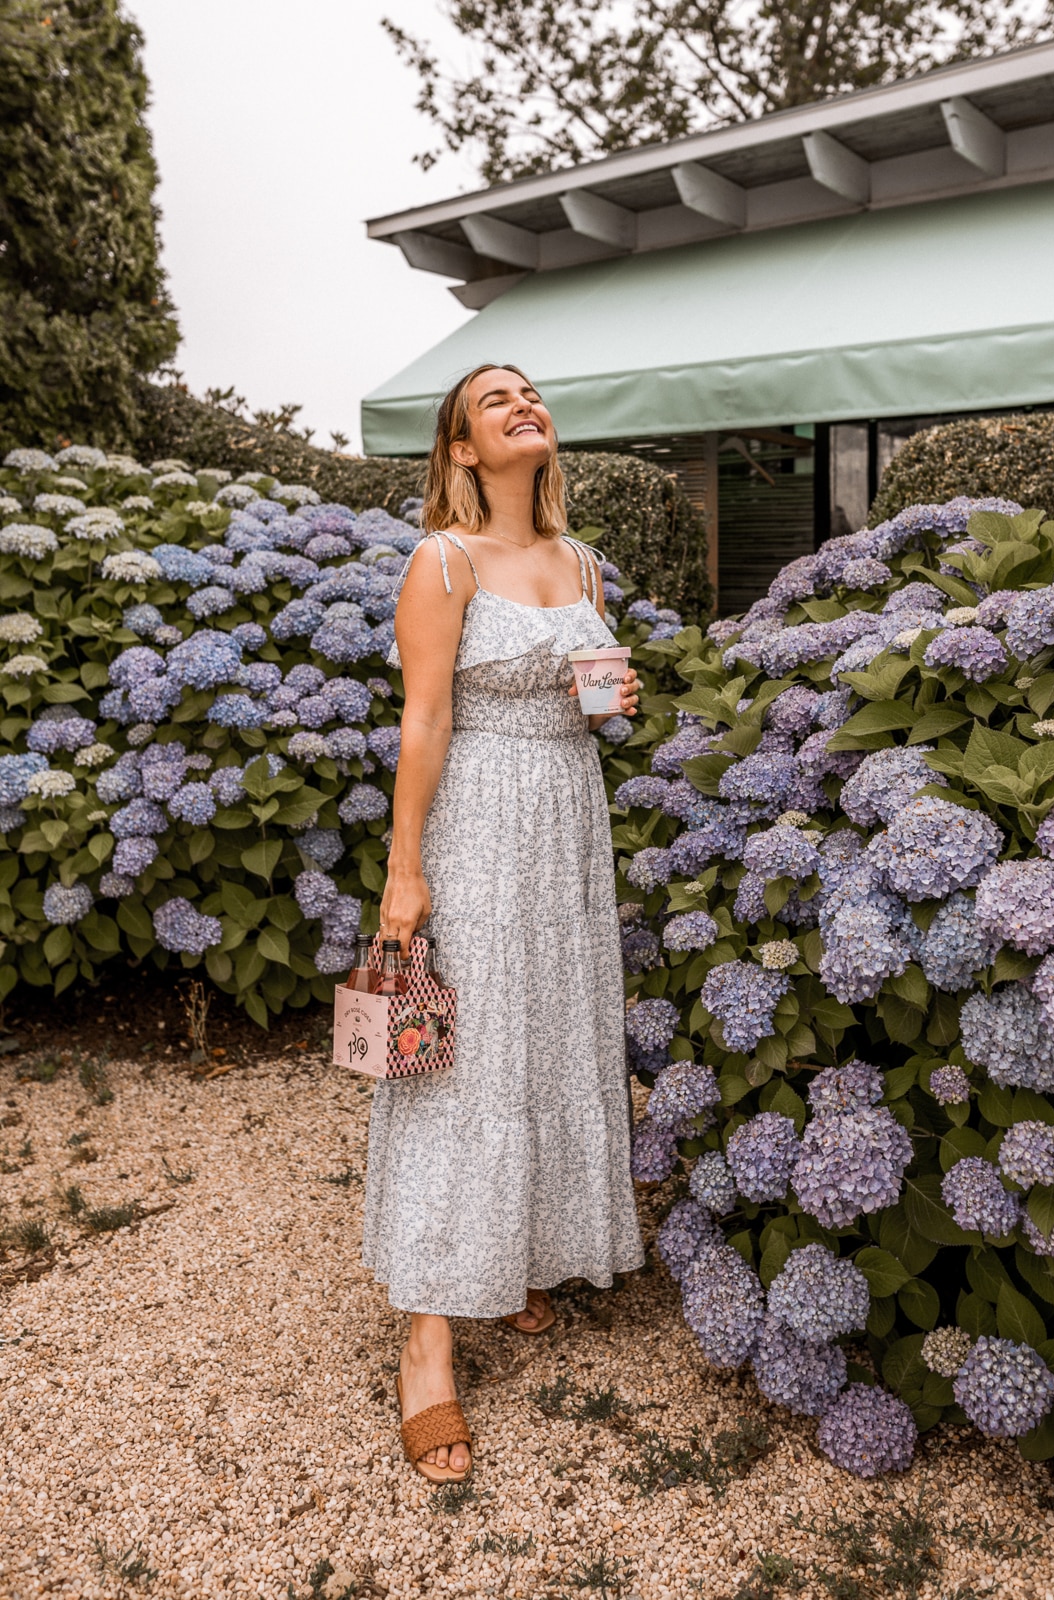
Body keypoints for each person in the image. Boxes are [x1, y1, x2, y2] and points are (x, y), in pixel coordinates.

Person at [362, 363, 645, 1484]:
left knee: (547, 1037)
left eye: (531, 393)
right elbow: (424, 716)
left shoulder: (577, 562)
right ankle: (427, 1337)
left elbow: (590, 697)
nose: (522, 405)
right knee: (462, 1063)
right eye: (495, 400)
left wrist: (614, 699)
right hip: (477, 816)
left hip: (568, 818)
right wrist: (403, 869)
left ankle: (512, 1251)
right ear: (463, 449)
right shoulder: (439, 560)